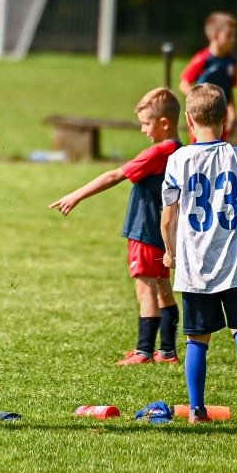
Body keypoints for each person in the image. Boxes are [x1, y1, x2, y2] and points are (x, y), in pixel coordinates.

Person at [159, 84, 237, 423]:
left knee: (197, 338)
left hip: (195, 264)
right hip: (234, 263)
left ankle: (196, 408)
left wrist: (169, 252)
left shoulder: (179, 159)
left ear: (188, 120)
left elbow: (168, 217)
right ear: (225, 118)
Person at [48, 87, 183, 365]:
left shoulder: (158, 152)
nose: (143, 129)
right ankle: (167, 351)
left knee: (145, 289)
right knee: (162, 287)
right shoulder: (179, 151)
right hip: (163, 229)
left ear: (164, 123)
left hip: (145, 229)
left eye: (146, 123)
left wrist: (76, 195)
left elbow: (115, 175)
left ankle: (144, 352)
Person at [179, 12, 237, 135]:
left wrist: (233, 113)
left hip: (220, 115)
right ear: (215, 35)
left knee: (220, 150)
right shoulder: (203, 59)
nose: (233, 40)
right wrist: (201, 100)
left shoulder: (232, 62)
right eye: (229, 36)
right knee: (199, 150)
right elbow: (183, 84)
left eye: (234, 36)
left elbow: (229, 90)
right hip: (201, 116)